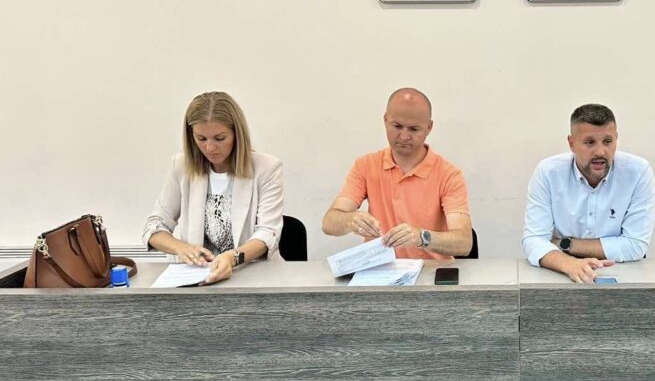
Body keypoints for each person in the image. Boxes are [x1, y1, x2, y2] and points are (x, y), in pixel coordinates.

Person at [143, 91, 285, 283]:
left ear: (237, 134)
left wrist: (232, 258)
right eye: (201, 139)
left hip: (251, 276)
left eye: (220, 138)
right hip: (196, 279)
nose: (210, 148)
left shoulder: (267, 168)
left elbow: (268, 234)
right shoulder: (181, 166)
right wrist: (181, 248)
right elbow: (154, 226)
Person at [322, 88, 472, 258]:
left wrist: (422, 237)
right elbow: (329, 223)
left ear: (429, 127)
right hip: (380, 270)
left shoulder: (448, 174)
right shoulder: (365, 165)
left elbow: (464, 242)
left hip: (431, 271)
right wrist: (350, 220)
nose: (404, 136)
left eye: (414, 129)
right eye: (397, 126)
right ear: (385, 120)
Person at [522, 103, 655, 283]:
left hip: (624, 272)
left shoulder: (638, 172)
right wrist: (569, 264)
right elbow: (533, 240)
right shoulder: (548, 172)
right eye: (590, 142)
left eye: (608, 141)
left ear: (616, 139)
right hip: (562, 272)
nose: (600, 152)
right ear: (571, 143)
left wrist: (563, 244)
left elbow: (635, 245)